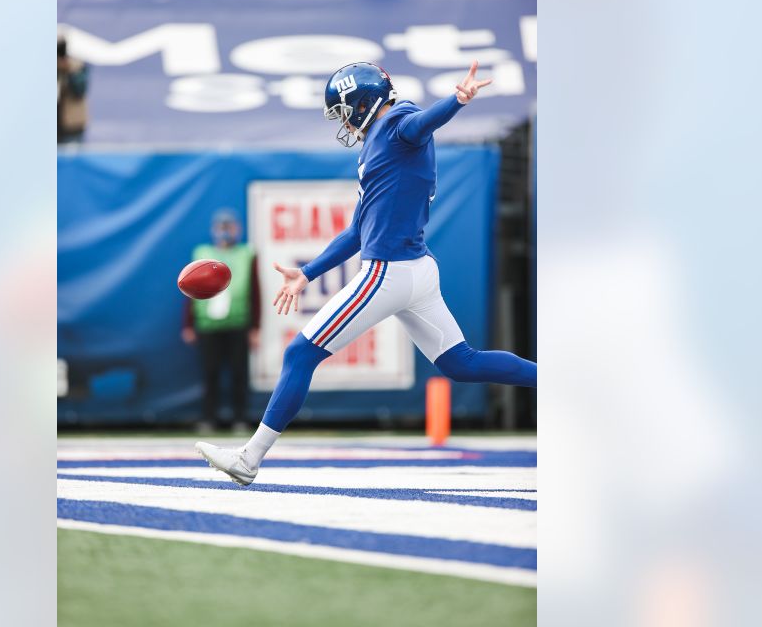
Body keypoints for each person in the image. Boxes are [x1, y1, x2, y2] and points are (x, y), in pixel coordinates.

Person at [196, 61, 537, 486]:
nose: (341, 120)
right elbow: (358, 230)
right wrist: (307, 272)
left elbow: (420, 125)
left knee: (300, 354)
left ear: (360, 102)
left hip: (388, 272)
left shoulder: (396, 122)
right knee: (462, 363)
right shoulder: (378, 140)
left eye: (342, 109)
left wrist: (456, 101)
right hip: (416, 271)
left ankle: (249, 459)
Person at [182, 209, 261, 434]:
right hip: (208, 324)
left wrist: (255, 327)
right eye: (221, 227)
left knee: (239, 373)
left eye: (230, 227)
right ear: (214, 230)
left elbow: (255, 291)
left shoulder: (246, 254)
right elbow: (191, 291)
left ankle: (240, 418)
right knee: (210, 373)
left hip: (237, 322)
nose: (225, 232)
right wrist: (188, 323)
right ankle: (208, 418)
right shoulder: (202, 253)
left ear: (238, 229)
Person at [57, 37, 89, 144]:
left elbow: (80, 90)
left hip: (72, 126)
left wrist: (69, 71)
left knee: (72, 158)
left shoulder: (76, 66)